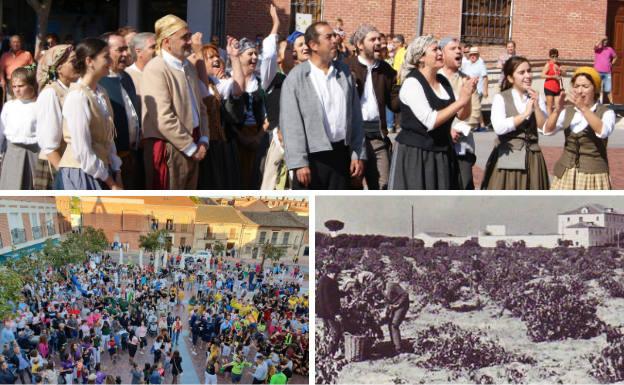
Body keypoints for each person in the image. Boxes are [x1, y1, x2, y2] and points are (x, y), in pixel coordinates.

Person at [280, 21, 366, 190]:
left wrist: (358, 153)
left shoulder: (345, 73)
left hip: (342, 156)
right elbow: (291, 124)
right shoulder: (296, 78)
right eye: (329, 37)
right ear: (313, 45)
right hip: (312, 159)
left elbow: (355, 117)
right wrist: (299, 162)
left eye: (335, 35)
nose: (335, 40)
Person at [388, 35, 475, 190]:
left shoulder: (443, 81)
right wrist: (461, 101)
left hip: (442, 152)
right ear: (421, 57)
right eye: (435, 50)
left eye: (440, 49)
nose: (440, 53)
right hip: (416, 154)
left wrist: (466, 96)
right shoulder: (412, 83)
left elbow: (462, 115)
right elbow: (430, 121)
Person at [141, 14, 209, 189]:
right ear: (166, 42)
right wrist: (190, 147)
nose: (189, 42)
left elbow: (201, 107)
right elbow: (163, 117)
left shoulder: (188, 67)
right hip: (170, 147)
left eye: (189, 36)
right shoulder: (156, 69)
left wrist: (203, 138)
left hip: (193, 144)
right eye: (184, 37)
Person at [56, 38, 123, 190]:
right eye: (105, 56)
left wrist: (116, 171)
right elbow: (82, 151)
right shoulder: (77, 97)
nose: (110, 60)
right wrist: (110, 182)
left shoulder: (100, 92)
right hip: (81, 173)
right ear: (89, 61)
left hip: (102, 172)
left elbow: (108, 139)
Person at [481, 56, 549, 190]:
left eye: (529, 71)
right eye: (522, 72)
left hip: (533, 158)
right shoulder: (501, 98)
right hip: (509, 156)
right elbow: (499, 128)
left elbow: (544, 128)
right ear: (511, 78)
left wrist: (537, 107)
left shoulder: (536, 96)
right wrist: (524, 114)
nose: (528, 75)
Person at [346, 24, 399, 190]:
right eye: (373, 39)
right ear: (360, 45)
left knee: (384, 185)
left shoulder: (386, 70)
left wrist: (405, 89)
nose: (378, 43)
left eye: (379, 39)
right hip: (353, 139)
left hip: (378, 138)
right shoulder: (346, 67)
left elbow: (395, 105)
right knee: (353, 186)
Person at [544, 67, 615, 190]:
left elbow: (603, 131)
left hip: (593, 174)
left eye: (585, 86)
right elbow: (547, 130)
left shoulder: (606, 113)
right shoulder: (569, 112)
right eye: (576, 86)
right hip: (566, 172)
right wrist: (557, 110)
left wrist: (583, 108)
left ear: (595, 89)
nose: (580, 91)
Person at [99, 33, 143, 189]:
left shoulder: (126, 77)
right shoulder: (99, 82)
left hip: (131, 155)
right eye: (120, 50)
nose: (126, 54)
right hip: (111, 161)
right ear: (106, 52)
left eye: (127, 49)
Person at [439, 37, 481, 190]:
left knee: (464, 184)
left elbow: (475, 113)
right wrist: (445, 131)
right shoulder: (433, 79)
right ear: (441, 53)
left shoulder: (467, 80)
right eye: (453, 48)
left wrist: (458, 130)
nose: (459, 51)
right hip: (437, 145)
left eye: (460, 49)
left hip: (462, 144)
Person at [36, 44, 79, 190]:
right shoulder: (51, 93)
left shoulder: (75, 90)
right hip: (56, 165)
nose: (78, 65)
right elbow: (49, 144)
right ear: (59, 68)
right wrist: (63, 176)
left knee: (76, 212)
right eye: (73, 61)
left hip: (71, 166)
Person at [0, 66, 42, 189]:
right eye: (14, 87)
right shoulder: (9, 106)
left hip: (34, 154)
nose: (17, 90)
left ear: (31, 85)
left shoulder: (39, 105)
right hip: (12, 154)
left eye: (21, 86)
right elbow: (1, 131)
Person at [316, 264, 342, 355]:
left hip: (325, 312)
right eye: (335, 274)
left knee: (329, 332)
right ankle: (331, 353)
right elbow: (327, 300)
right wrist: (334, 314)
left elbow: (334, 295)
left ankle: (327, 351)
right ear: (330, 273)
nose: (336, 276)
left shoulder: (325, 280)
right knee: (337, 332)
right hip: (328, 312)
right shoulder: (327, 282)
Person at [0, 35, 34, 100]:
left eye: (18, 42)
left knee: (22, 100)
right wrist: (2, 80)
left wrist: (25, 71)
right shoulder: (5, 55)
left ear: (21, 43)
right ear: (10, 44)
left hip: (23, 82)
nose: (15, 44)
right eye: (13, 42)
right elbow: (1, 69)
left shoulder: (27, 54)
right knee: (10, 101)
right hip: (10, 82)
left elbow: (32, 67)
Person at [126, 32, 157, 100]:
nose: (157, 51)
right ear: (138, 51)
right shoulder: (127, 76)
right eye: (153, 47)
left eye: (158, 47)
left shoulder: (161, 72)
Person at [384, 281, 409, 355]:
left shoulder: (392, 285)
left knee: (394, 325)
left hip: (402, 306)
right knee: (390, 324)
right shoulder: (381, 290)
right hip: (394, 306)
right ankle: (394, 345)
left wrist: (398, 304)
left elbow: (405, 294)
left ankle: (399, 349)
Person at [594, 35, 617, 104]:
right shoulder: (598, 49)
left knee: (608, 89)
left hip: (607, 72)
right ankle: (598, 102)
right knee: (598, 88)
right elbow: (595, 46)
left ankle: (612, 104)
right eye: (604, 40)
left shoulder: (610, 49)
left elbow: (615, 57)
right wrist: (601, 39)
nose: (605, 42)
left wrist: (611, 63)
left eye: (606, 40)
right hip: (598, 72)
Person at [542, 48, 564, 114]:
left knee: (558, 106)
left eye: (556, 56)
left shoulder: (559, 65)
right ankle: (549, 121)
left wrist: (561, 70)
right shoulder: (548, 65)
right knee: (550, 106)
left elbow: (564, 74)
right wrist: (553, 76)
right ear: (550, 57)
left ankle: (555, 121)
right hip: (549, 87)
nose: (554, 58)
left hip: (557, 88)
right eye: (552, 56)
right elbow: (542, 75)